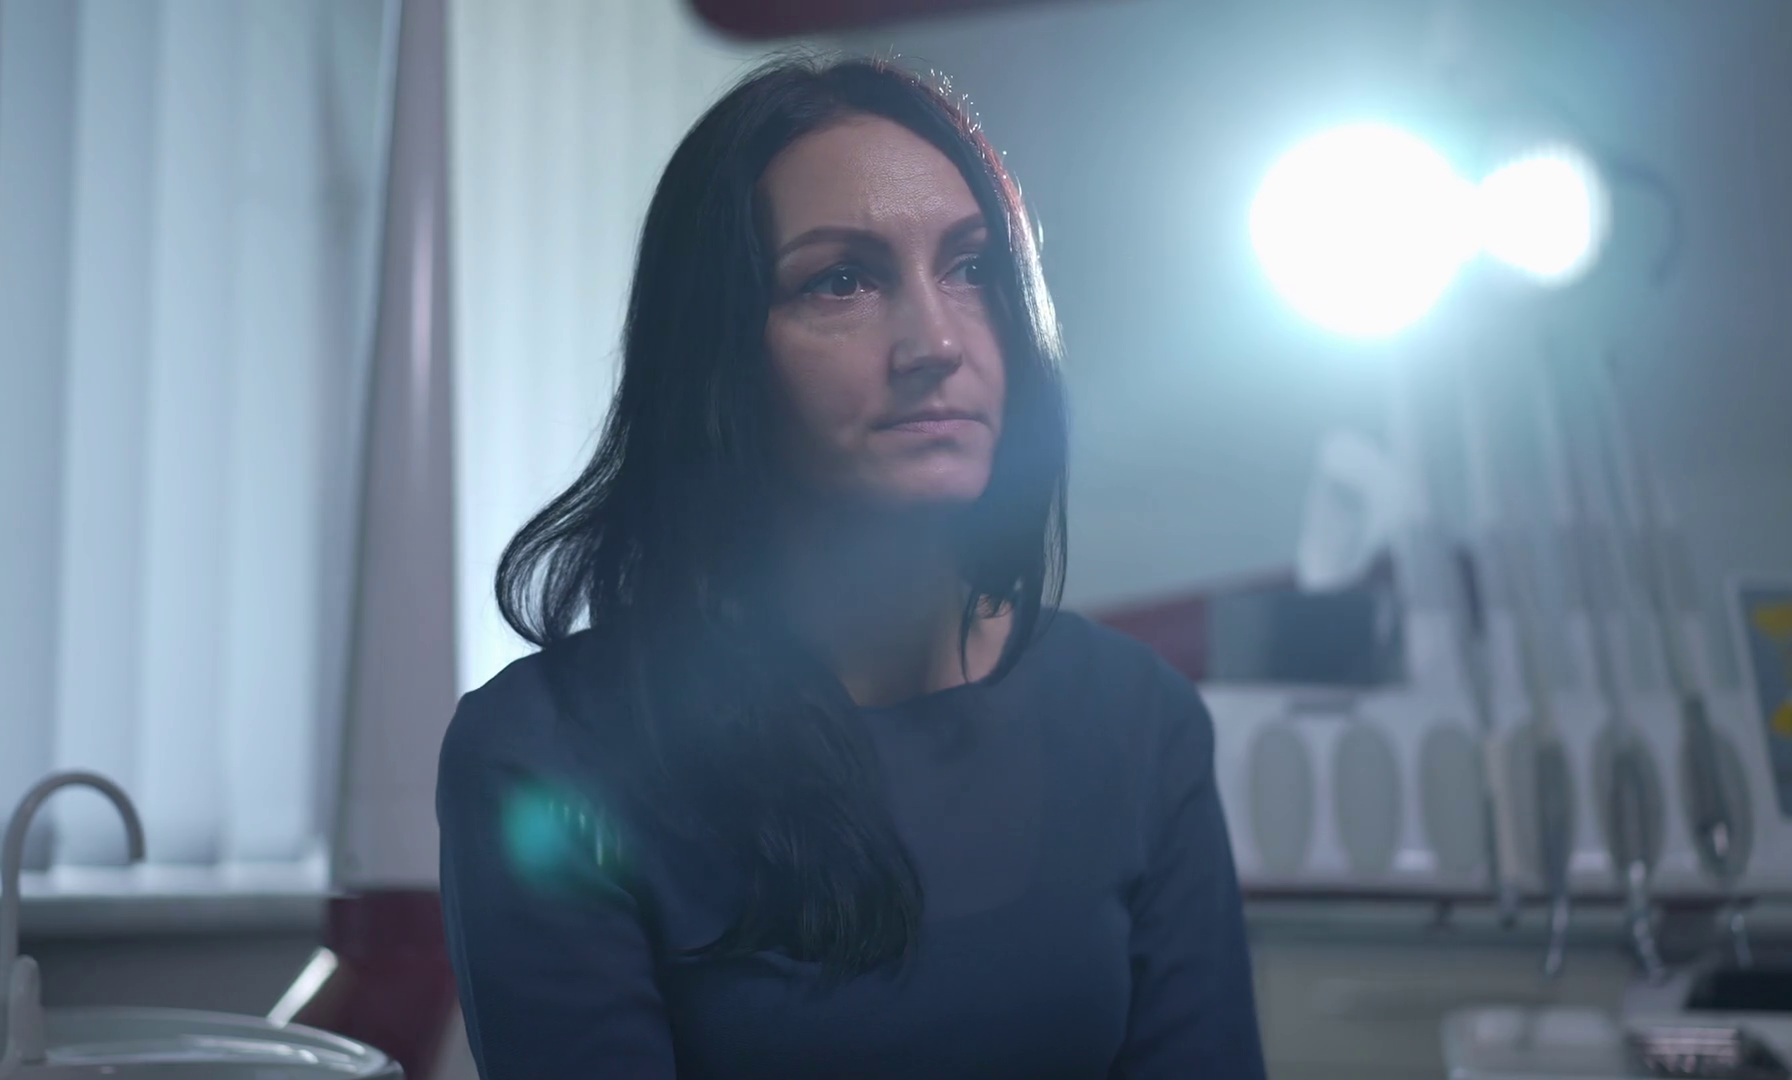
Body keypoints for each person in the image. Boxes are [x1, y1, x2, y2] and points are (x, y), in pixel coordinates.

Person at [436, 55, 1265, 1079]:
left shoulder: (1138, 720)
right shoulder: (548, 753)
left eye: (973, 270)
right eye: (842, 280)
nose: (935, 342)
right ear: (717, 358)